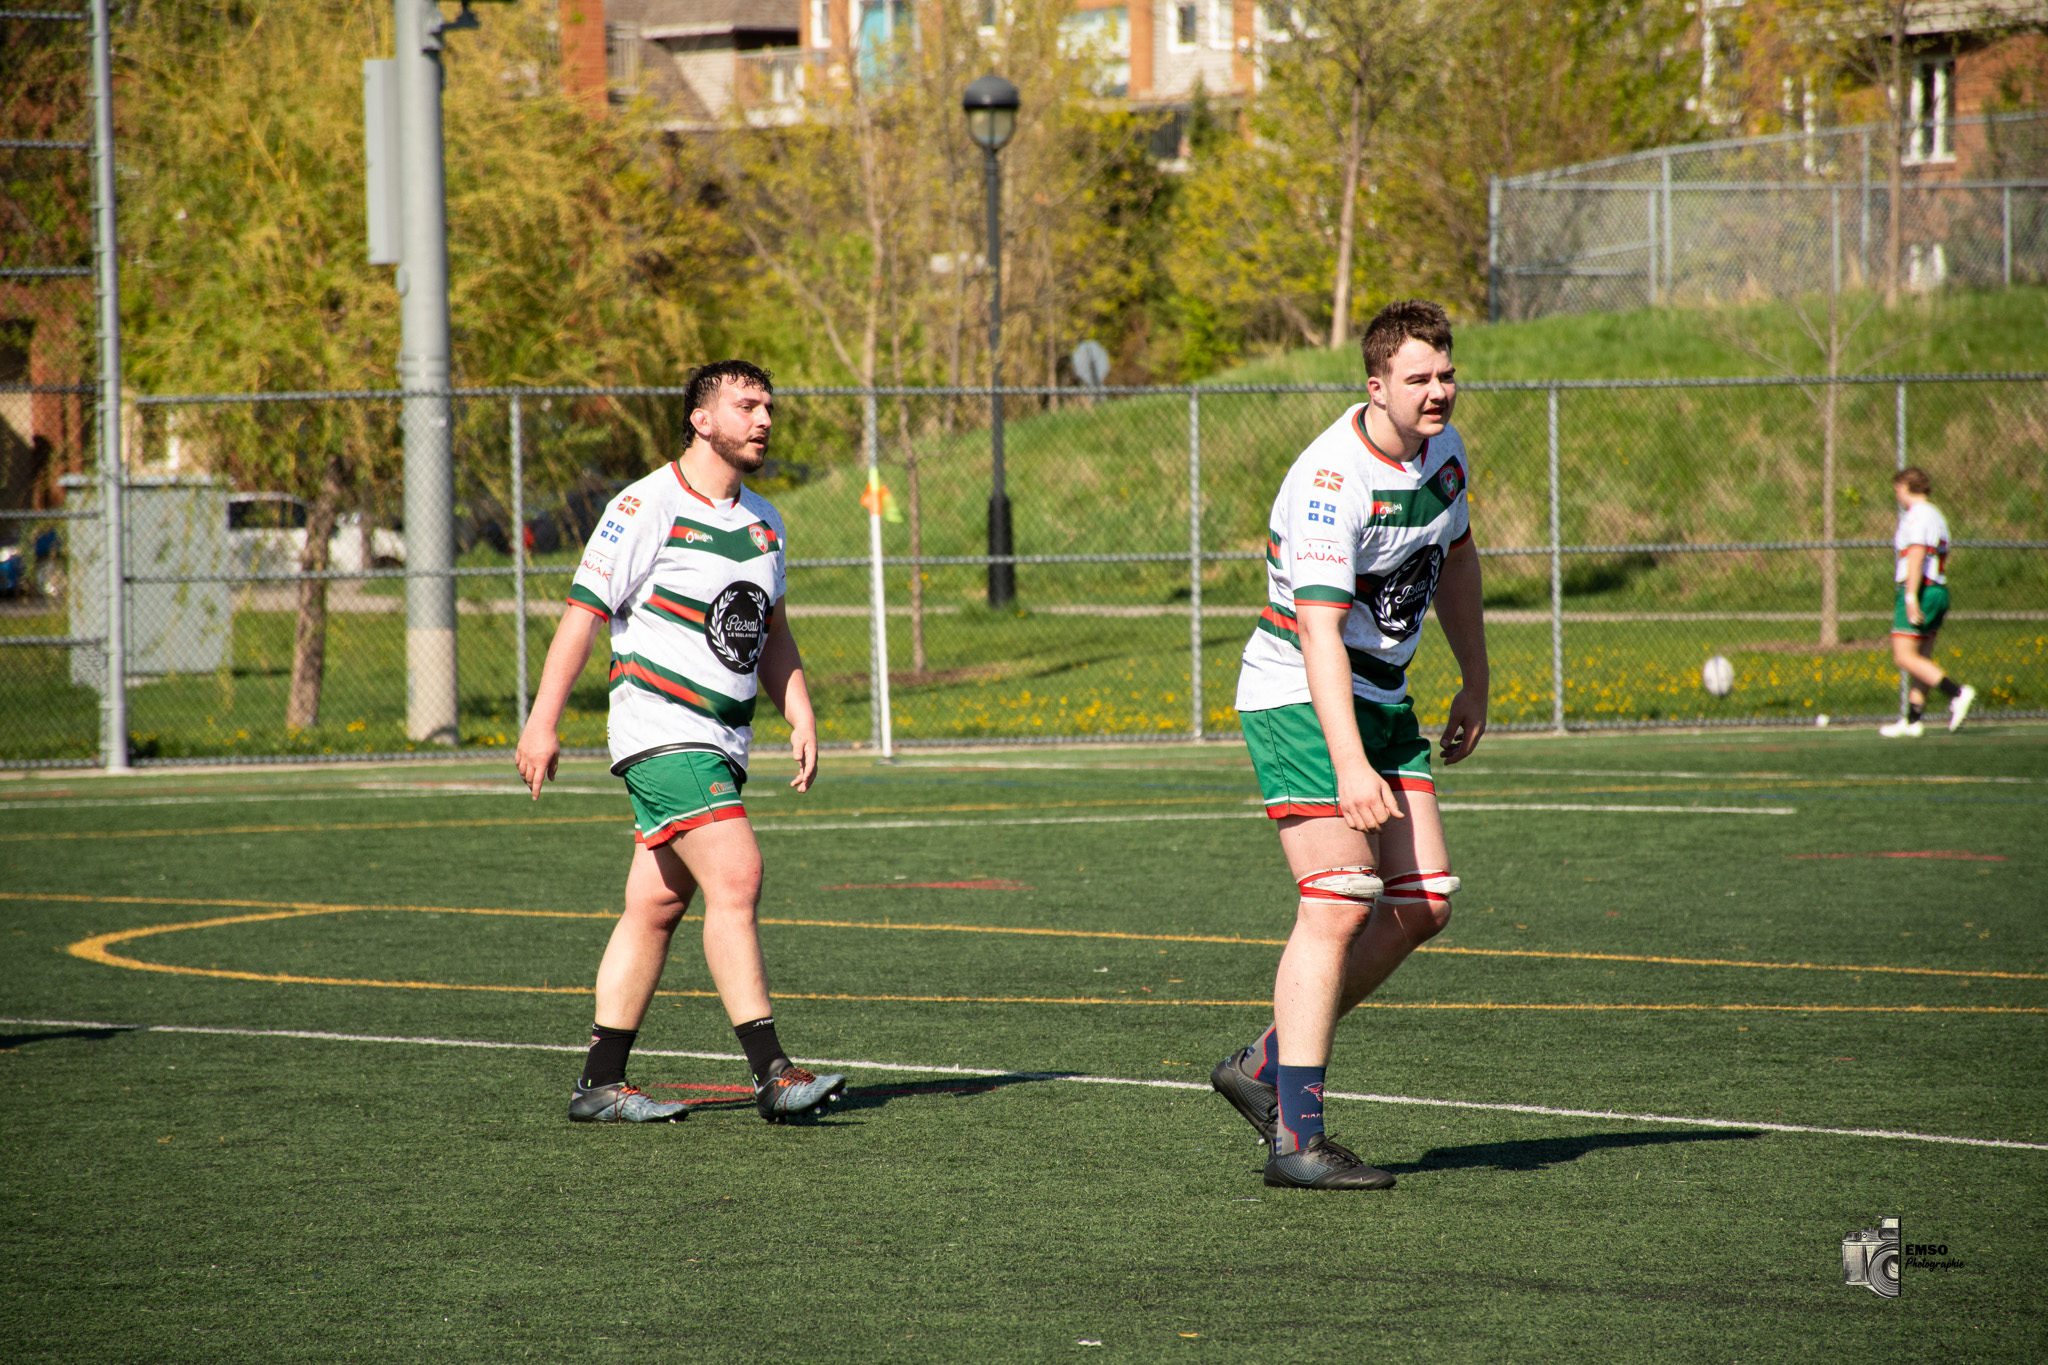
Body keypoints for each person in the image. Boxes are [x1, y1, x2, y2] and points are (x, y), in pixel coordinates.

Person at [515, 360, 846, 1124]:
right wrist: (543, 719)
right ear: (701, 419)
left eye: (769, 404)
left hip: (722, 740)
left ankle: (600, 1080)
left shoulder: (766, 522)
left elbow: (772, 632)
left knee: (656, 905)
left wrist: (800, 710)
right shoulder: (646, 504)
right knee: (737, 873)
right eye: (747, 405)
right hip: (662, 733)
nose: (764, 418)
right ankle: (773, 1072)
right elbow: (584, 613)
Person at [1210, 300, 1488, 1190]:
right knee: (1336, 899)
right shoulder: (1333, 478)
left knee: (1424, 901)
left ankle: (1262, 1066)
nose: (1438, 390)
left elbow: (1461, 558)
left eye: (1446, 373)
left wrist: (1475, 678)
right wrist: (1352, 764)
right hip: (1299, 688)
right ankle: (1297, 1136)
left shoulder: (1443, 455)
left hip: (1382, 691)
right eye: (1419, 378)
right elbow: (1319, 635)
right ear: (1376, 386)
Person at [1880, 467, 1975, 739]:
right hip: (1938, 589)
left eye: (1898, 488)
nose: (1896, 494)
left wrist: (1910, 596)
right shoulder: (1936, 515)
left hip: (1922, 589)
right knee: (1921, 659)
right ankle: (1913, 719)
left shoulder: (1917, 516)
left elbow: (1918, 554)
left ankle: (1956, 693)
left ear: (1908, 487)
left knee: (1903, 656)